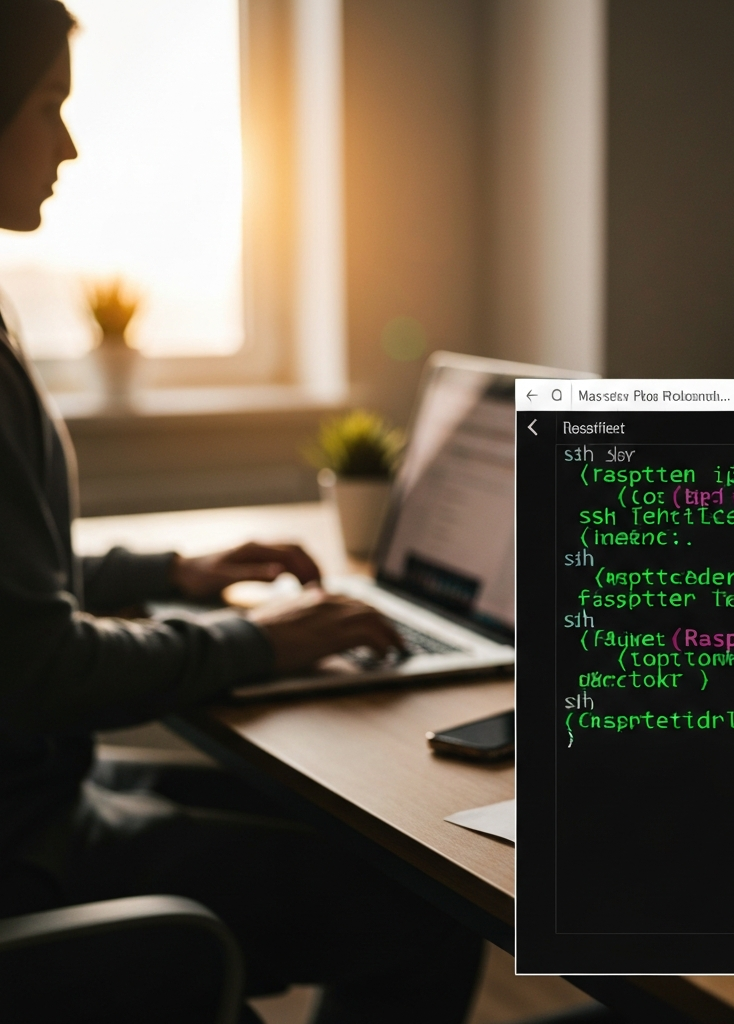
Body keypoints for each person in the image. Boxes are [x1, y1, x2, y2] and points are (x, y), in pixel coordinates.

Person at [0, 1, 482, 1020]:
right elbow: (35, 667)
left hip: (35, 800)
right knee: (423, 901)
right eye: (49, 107)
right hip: (27, 848)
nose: (71, 145)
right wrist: (257, 640)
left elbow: (13, 586)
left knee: (329, 832)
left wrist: (169, 574)